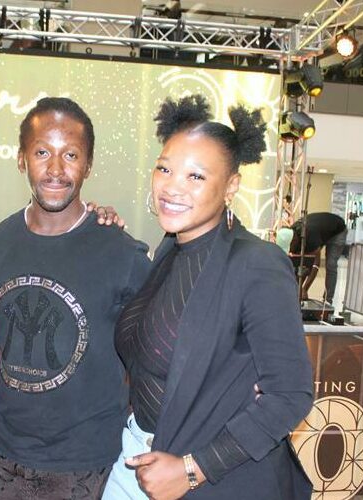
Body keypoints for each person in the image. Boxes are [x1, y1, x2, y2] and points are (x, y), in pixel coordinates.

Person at [103, 95, 313, 500]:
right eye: (164, 168)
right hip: (137, 455)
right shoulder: (169, 249)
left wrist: (192, 470)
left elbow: (291, 395)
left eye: (195, 176)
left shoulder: (257, 263)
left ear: (231, 186)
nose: (171, 187)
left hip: (207, 476)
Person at [0, 97, 152, 499]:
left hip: (91, 464)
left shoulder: (124, 255)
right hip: (3, 457)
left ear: (88, 165)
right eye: (42, 153)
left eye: (70, 155)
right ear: (21, 159)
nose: (55, 169)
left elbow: (149, 359)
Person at [289, 212, 347, 303]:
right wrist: (297, 289)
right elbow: (300, 264)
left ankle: (328, 300)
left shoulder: (310, 237)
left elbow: (315, 265)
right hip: (321, 230)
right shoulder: (291, 232)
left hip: (338, 231)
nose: (290, 250)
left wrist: (305, 289)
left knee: (330, 264)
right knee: (303, 262)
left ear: (295, 241)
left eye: (291, 247)